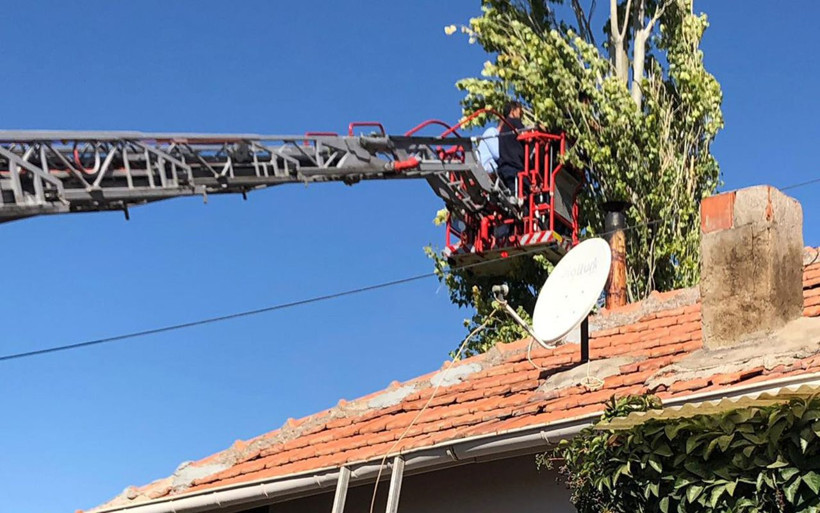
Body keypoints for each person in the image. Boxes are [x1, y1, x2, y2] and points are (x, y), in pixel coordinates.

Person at [496, 101, 526, 194]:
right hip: (515, 169)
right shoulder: (514, 122)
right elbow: (526, 134)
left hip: (504, 169)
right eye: (519, 112)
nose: (520, 116)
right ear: (512, 111)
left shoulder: (503, 128)